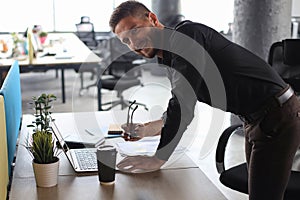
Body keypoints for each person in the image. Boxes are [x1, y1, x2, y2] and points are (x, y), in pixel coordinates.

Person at [110, 1, 300, 199]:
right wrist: (147, 129)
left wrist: (158, 159)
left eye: (135, 31)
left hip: (277, 116)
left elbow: (183, 104)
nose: (133, 44)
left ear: (153, 19)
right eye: (126, 41)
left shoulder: (187, 36)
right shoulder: (170, 57)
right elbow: (181, 101)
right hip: (256, 120)